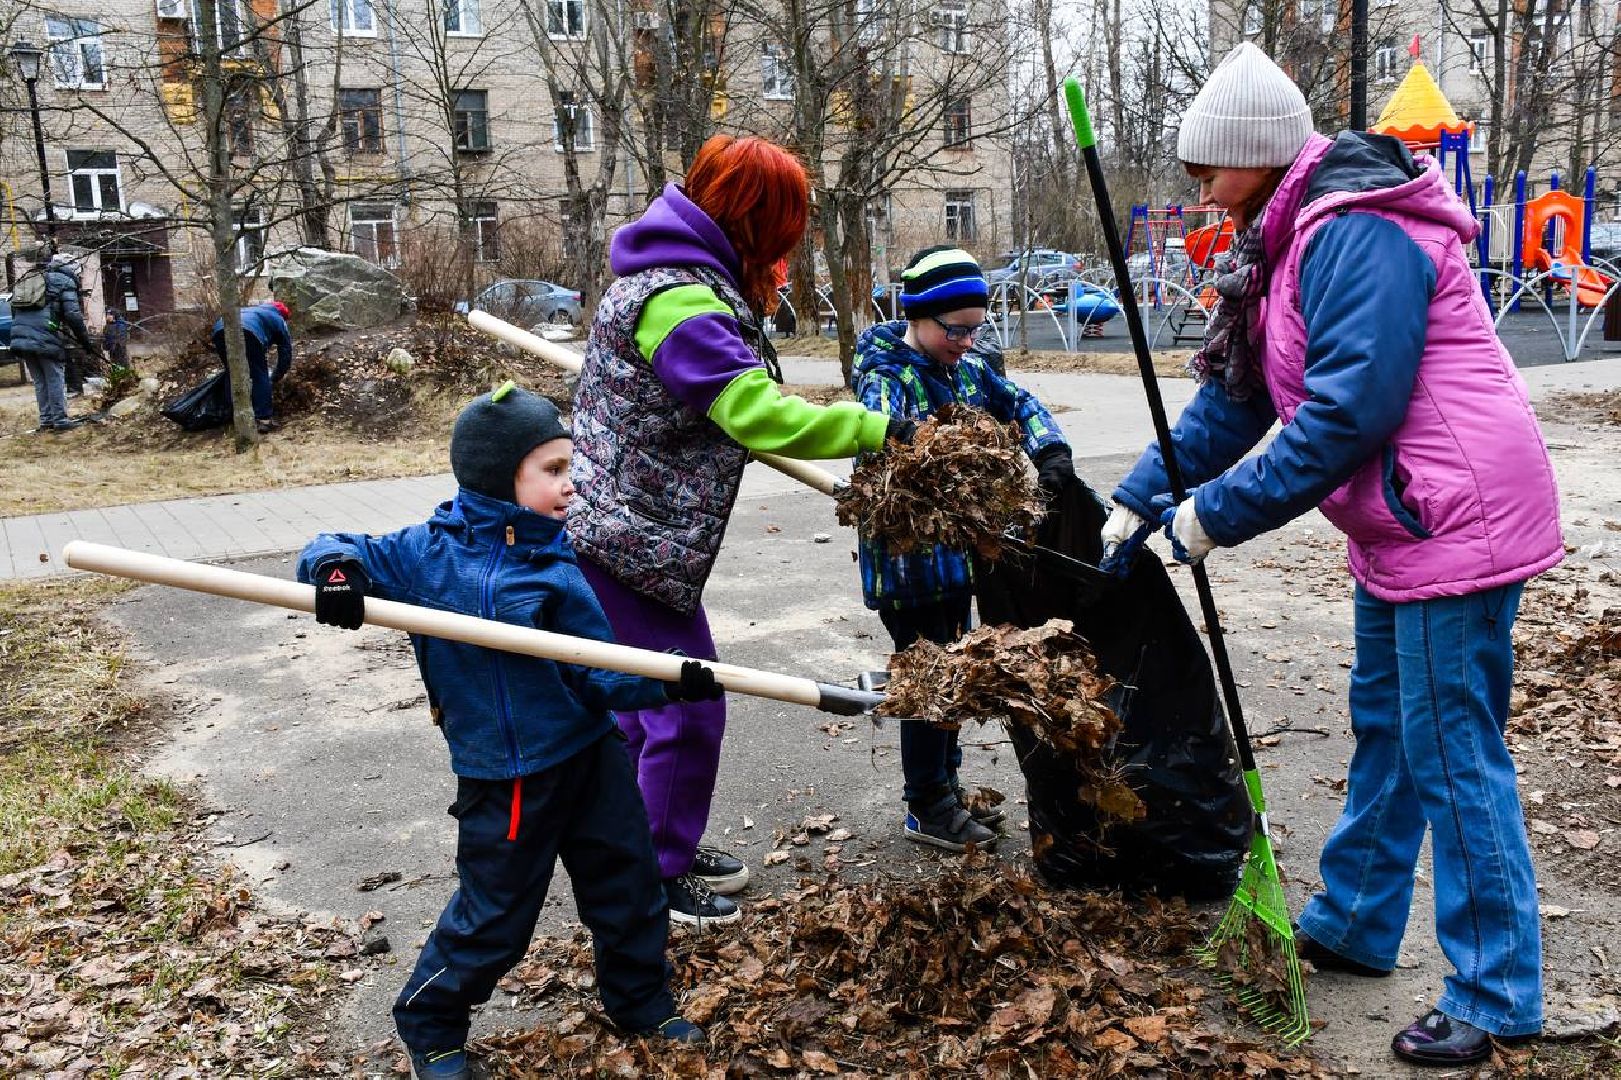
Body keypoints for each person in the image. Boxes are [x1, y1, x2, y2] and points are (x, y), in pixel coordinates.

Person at [1104, 43, 1561, 1067]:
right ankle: (1355, 921)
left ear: (1258, 152)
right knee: (1388, 730)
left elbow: (1351, 410)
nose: (1199, 192)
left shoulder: (1355, 230)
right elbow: (1239, 398)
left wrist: (1212, 516)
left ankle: (1496, 992)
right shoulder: (1282, 236)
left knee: (1450, 751)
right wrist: (1139, 495)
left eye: (1208, 170)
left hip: (1453, 514)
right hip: (1402, 519)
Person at [297, 384, 718, 1080]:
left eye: (569, 466)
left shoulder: (555, 563)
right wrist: (336, 576)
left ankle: (641, 1002)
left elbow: (598, 673)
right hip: (506, 776)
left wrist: (665, 679)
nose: (570, 484)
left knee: (629, 887)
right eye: (552, 469)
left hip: (591, 755)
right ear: (500, 475)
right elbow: (331, 545)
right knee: (496, 917)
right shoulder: (424, 555)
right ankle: (431, 1024)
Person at [568, 133, 910, 925]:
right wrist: (875, 430)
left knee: (641, 708)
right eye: (783, 226)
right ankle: (651, 876)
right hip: (627, 537)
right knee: (687, 704)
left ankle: (647, 844)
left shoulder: (681, 278)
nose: (788, 245)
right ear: (752, 218)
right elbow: (751, 411)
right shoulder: (678, 301)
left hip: (630, 529)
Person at [852, 246, 1076, 853]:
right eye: (956, 330)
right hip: (909, 569)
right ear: (918, 316)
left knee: (956, 675)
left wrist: (1049, 449)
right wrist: (924, 448)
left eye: (976, 329)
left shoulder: (971, 370)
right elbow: (881, 448)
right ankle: (927, 805)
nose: (967, 341)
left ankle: (946, 791)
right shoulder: (886, 377)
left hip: (959, 564)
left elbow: (1020, 402)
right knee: (930, 682)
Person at [8, 251, 101, 433]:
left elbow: (14, 308)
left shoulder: (34, 278)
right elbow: (73, 315)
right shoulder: (64, 281)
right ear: (72, 269)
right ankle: (60, 420)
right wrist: (85, 342)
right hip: (45, 336)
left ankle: (46, 421)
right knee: (54, 377)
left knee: (40, 380)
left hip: (20, 336)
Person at [213, 300, 293, 434]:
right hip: (248, 332)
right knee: (259, 375)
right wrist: (276, 376)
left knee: (232, 373)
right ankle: (263, 419)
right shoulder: (278, 319)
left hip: (220, 330)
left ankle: (233, 414)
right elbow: (285, 352)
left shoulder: (252, 310)